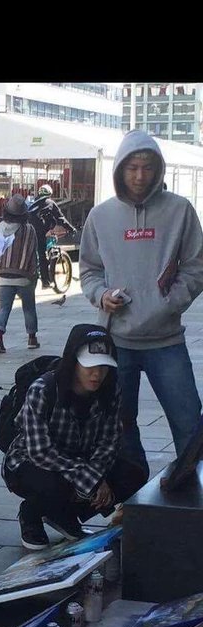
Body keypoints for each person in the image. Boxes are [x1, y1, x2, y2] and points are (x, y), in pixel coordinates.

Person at [79, 129, 203, 479]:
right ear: (119, 169)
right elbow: (89, 270)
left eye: (147, 167)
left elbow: (196, 266)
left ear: (158, 168)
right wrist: (101, 295)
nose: (139, 175)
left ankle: (190, 487)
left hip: (167, 340)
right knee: (119, 423)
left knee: (189, 421)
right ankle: (133, 488)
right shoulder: (100, 216)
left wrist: (170, 302)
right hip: (116, 341)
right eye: (132, 167)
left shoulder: (180, 210)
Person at [3, 324, 147, 549]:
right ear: (74, 362)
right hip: (33, 462)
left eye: (104, 366)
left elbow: (109, 441)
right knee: (51, 483)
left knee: (134, 473)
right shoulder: (43, 389)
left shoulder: (111, 389)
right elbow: (40, 452)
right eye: (89, 366)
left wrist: (96, 476)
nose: (97, 374)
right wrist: (91, 480)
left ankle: (63, 513)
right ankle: (31, 512)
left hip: (82, 458)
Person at [0, 194, 39, 353]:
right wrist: (34, 274)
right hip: (24, 276)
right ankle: (32, 338)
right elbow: (33, 253)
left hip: (3, 276)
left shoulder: (0, 227)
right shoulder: (29, 229)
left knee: (3, 307)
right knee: (29, 308)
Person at [28, 185, 77, 288]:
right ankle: (45, 282)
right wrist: (71, 229)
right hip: (39, 232)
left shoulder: (33, 203)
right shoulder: (50, 203)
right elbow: (61, 219)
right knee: (42, 254)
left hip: (27, 230)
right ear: (50, 194)